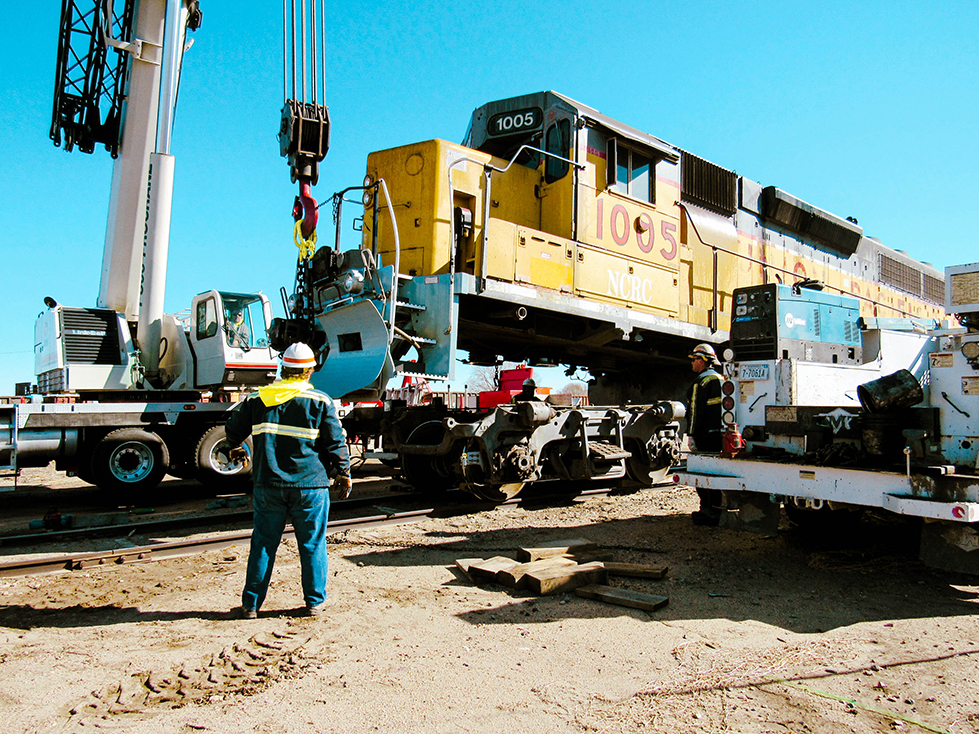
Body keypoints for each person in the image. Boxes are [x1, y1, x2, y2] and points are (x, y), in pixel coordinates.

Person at [225, 342, 352, 618]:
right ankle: (314, 602)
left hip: (268, 484)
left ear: (283, 368)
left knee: (263, 544)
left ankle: (250, 605)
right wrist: (344, 472)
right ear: (308, 371)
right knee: (312, 545)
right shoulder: (320, 401)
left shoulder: (257, 398)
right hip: (310, 486)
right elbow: (335, 442)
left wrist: (234, 444)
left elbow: (233, 429)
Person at [686, 343, 723, 526]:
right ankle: (717, 509)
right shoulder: (720, 379)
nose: (692, 363)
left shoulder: (700, 382)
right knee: (716, 473)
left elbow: (695, 412)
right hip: (718, 436)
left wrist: (691, 435)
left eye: (694, 359)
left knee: (701, 473)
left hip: (704, 436)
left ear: (702, 361)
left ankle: (707, 511)